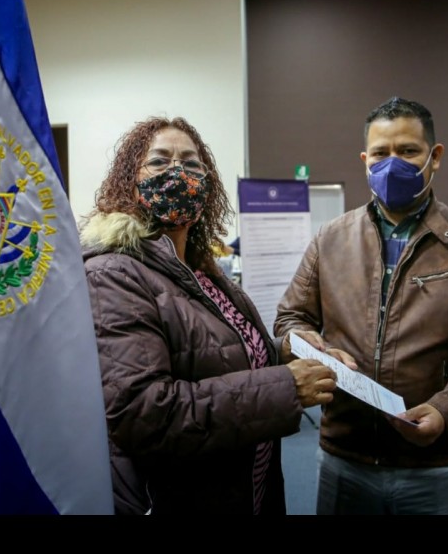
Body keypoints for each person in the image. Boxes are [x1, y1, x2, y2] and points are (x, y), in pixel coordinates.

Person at [273, 96, 448, 515]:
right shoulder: (330, 238)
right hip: (345, 454)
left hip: (434, 464)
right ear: (365, 160)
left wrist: (446, 410)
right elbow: (290, 317)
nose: (393, 165)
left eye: (408, 151)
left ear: (434, 157)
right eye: (381, 153)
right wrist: (304, 340)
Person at [80, 116, 338, 515]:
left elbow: (214, 354)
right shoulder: (114, 273)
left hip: (244, 488)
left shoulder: (200, 269)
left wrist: (282, 349)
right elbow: (145, 414)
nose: (178, 173)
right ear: (129, 180)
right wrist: (285, 388)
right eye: (159, 161)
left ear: (207, 184)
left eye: (191, 163)